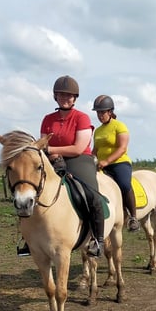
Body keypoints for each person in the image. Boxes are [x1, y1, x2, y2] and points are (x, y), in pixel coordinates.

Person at [37, 75, 105, 257]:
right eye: (60, 95)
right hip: (52, 160)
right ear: (55, 97)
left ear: (75, 98)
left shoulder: (81, 118)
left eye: (68, 96)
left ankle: (98, 240)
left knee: (92, 195)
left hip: (79, 160)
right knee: (31, 190)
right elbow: (42, 143)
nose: (64, 99)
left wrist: (52, 149)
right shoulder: (48, 119)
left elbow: (78, 148)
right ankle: (31, 239)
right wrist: (50, 153)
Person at [92, 95, 139, 231]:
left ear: (110, 111)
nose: (100, 115)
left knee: (124, 184)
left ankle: (133, 217)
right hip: (101, 164)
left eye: (102, 112)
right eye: (98, 112)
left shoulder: (120, 126)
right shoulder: (98, 130)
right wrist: (90, 160)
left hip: (119, 163)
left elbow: (122, 148)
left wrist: (107, 161)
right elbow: (95, 149)